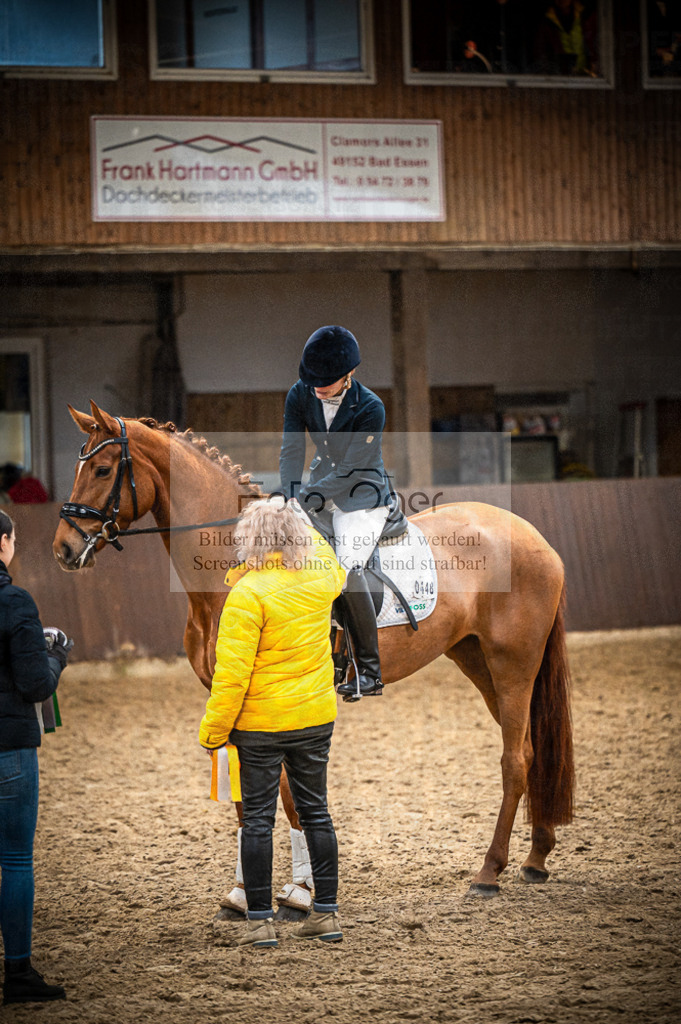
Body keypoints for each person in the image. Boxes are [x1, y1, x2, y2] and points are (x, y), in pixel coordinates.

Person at [199, 498, 345, 949]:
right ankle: (326, 914)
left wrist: (213, 732)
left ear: (250, 541)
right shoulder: (324, 575)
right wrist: (301, 520)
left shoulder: (246, 594)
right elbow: (328, 555)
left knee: (258, 821)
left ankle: (260, 922)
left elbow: (231, 676)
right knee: (316, 812)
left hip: (261, 726)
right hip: (315, 719)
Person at [279, 325, 396, 699]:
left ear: (349, 375)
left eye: (326, 382)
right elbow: (292, 450)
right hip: (317, 486)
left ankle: (368, 670)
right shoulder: (300, 394)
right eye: (312, 380)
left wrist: (308, 498)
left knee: (345, 567)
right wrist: (289, 495)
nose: (317, 388)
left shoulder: (371, 407)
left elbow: (353, 471)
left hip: (361, 494)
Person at [0, 510, 72, 1004]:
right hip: (10, 749)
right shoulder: (15, 602)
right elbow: (35, 685)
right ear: (4, 543)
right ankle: (19, 974)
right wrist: (56, 655)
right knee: (15, 860)